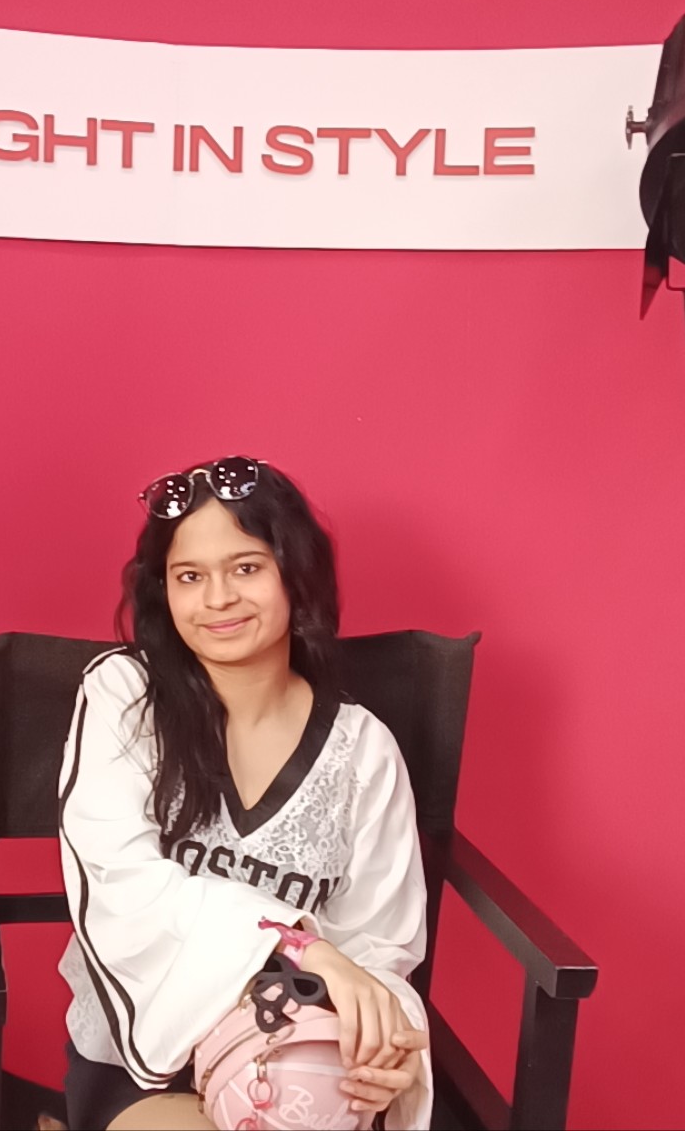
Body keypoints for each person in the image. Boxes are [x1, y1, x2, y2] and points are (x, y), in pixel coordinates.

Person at [57, 456, 432, 1131]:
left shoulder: (362, 749)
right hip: (143, 1060)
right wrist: (299, 945)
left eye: (247, 568)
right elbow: (120, 880)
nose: (218, 599)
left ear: (296, 574)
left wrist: (386, 1043)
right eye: (189, 576)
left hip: (306, 1065)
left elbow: (381, 947)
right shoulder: (125, 696)